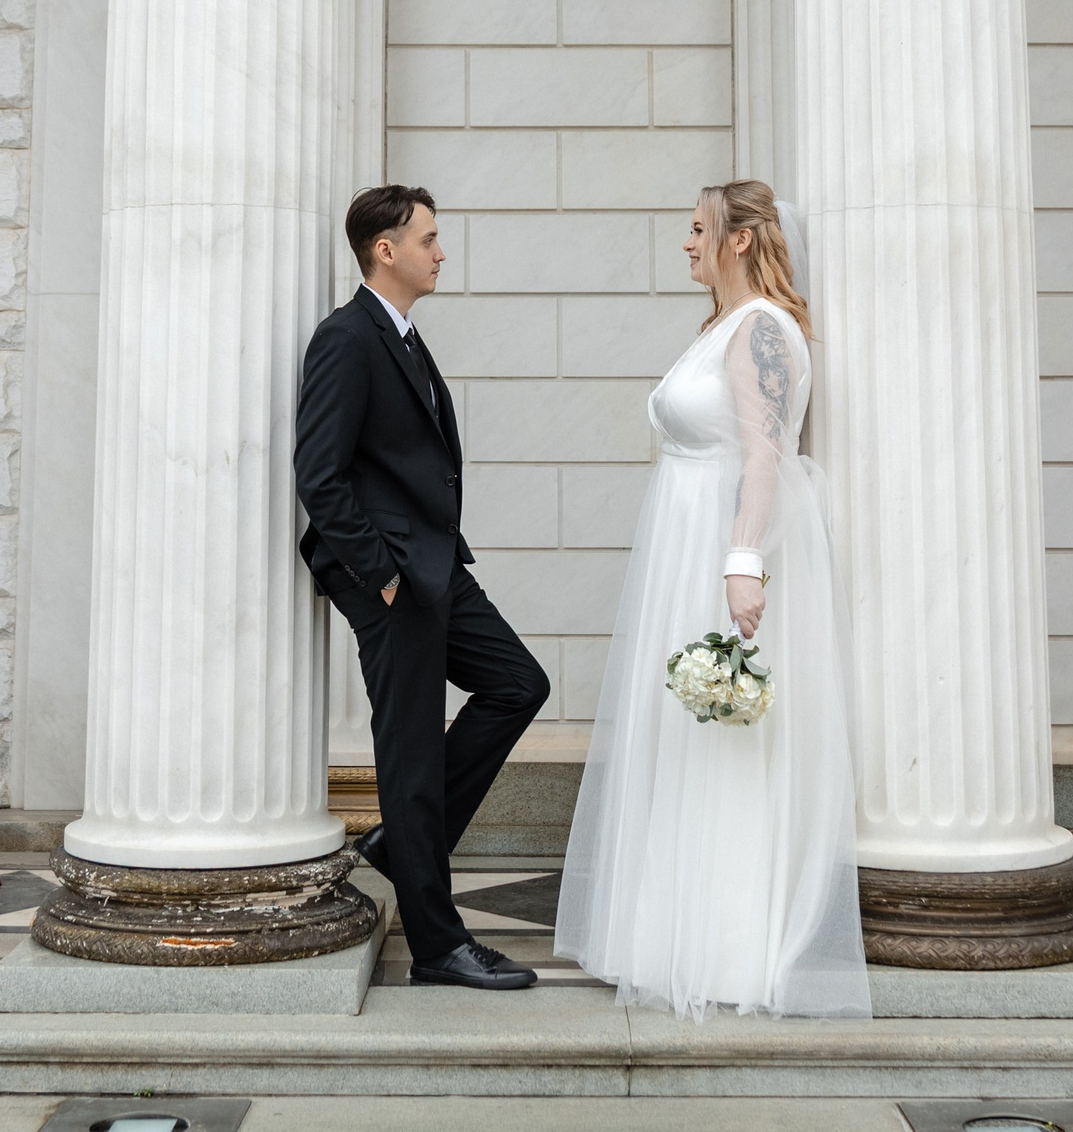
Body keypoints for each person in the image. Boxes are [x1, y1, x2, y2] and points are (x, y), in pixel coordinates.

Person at [553, 179, 870, 1019]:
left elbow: (765, 453)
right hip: (683, 547)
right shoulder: (724, 327)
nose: (688, 243)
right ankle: (668, 932)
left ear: (740, 239)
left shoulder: (762, 328)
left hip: (718, 551)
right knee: (686, 740)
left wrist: (742, 562)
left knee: (723, 744)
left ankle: (727, 948)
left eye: (700, 229)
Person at [295, 185, 552, 990]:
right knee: (407, 755)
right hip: (393, 576)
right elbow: (319, 475)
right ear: (386, 250)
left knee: (517, 684)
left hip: (436, 564)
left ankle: (399, 845)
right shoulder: (347, 338)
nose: (441, 253)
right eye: (429, 239)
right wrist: (379, 576)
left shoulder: (402, 333)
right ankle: (439, 947)